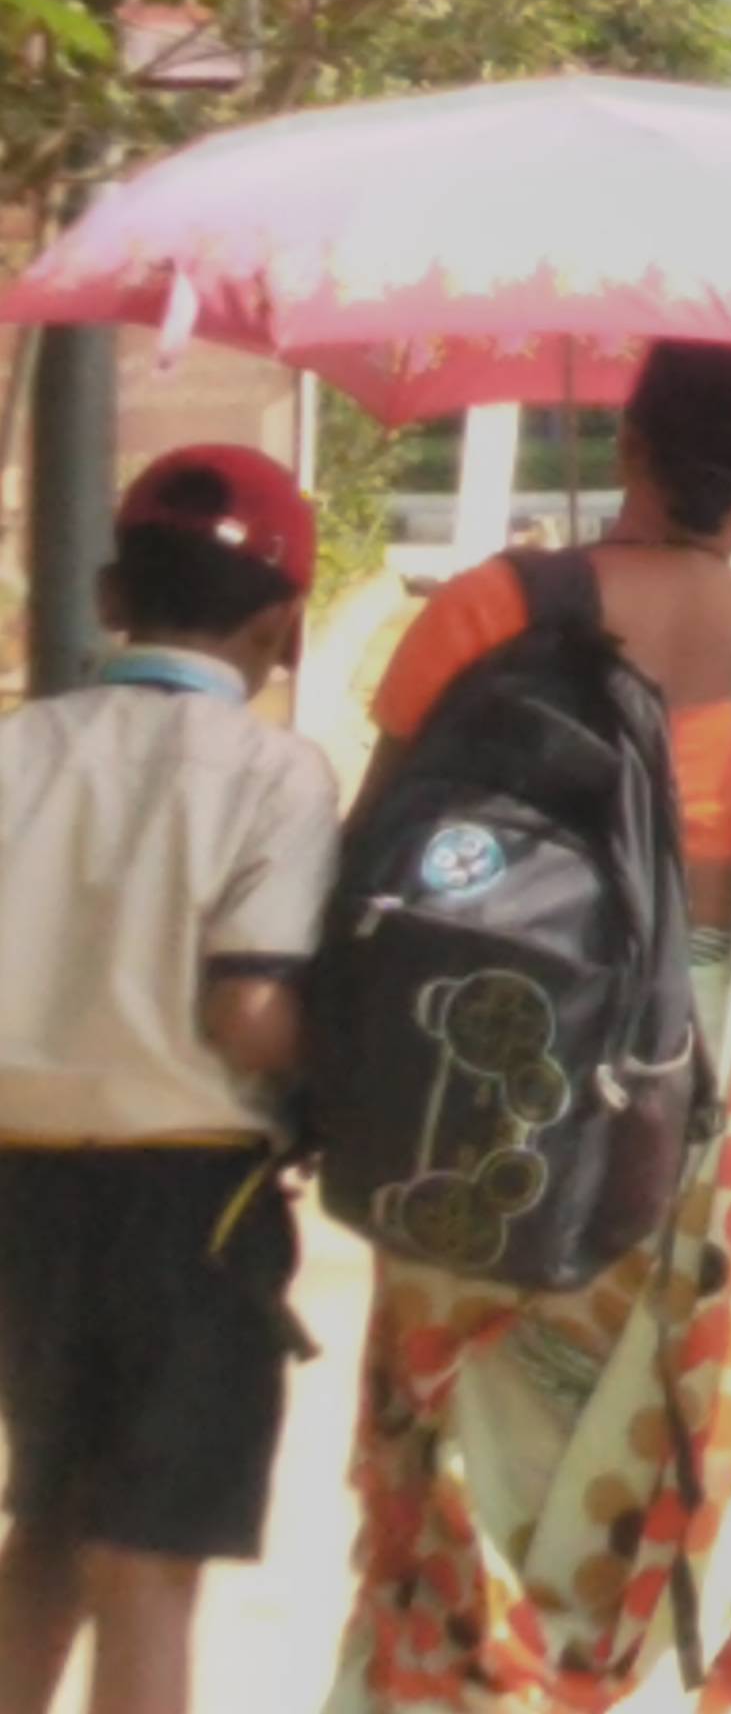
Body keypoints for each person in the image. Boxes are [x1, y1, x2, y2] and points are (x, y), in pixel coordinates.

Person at [328, 341, 731, 1714]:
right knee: (679, 1460)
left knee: (464, 1458)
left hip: (492, 1094)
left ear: (629, 440)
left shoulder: (490, 610)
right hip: (713, 1133)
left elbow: (371, 859)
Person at [0, 450, 335, 1714]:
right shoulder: (276, 776)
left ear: (107, 594)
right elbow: (249, 1016)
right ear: (286, 625)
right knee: (148, 1562)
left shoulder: (17, 751)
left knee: (44, 1526)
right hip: (194, 1211)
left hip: (25, 1194)